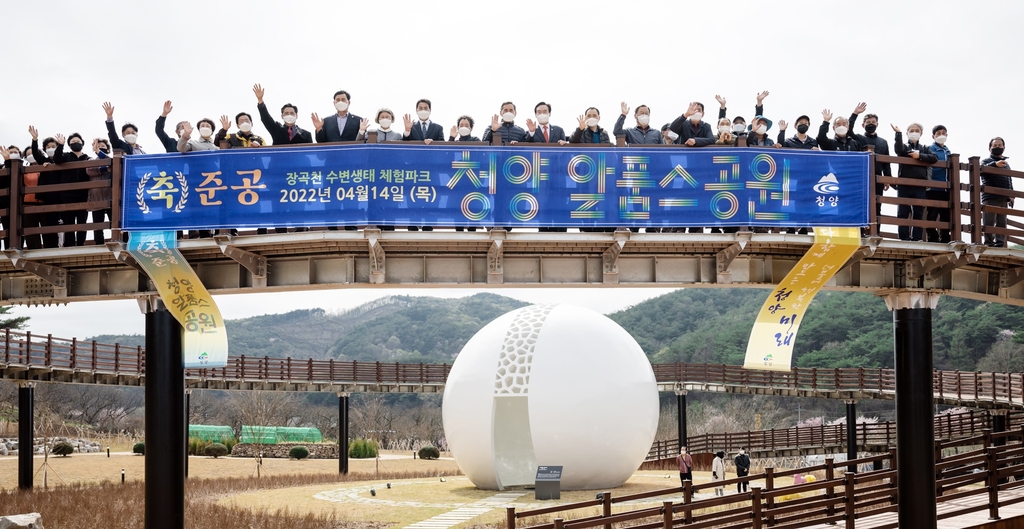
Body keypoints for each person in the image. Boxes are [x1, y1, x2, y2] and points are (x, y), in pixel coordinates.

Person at [892, 122, 938, 241]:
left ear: (921, 133)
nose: (914, 133)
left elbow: (934, 158)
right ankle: (904, 237)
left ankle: (917, 237)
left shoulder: (925, 148)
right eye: (911, 130)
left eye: (917, 131)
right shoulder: (905, 147)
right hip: (904, 184)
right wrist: (898, 134)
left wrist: (920, 156)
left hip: (920, 185)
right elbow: (898, 150)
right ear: (907, 133)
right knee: (903, 211)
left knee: (918, 212)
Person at [52, 133, 91, 247]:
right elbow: (57, 159)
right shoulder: (66, 156)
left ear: (82, 143)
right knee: (69, 221)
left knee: (82, 221)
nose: (76, 143)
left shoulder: (87, 158)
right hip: (67, 195)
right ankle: (68, 244)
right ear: (69, 145)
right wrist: (60, 145)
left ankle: (80, 244)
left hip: (83, 195)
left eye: (78, 141)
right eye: (73, 142)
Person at [982, 137, 1012, 247]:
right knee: (989, 221)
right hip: (990, 196)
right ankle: (988, 243)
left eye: (1000, 145)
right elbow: (981, 169)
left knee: (1001, 222)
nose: (997, 147)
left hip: (1004, 197)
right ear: (989, 148)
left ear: (1004, 147)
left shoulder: (1006, 164)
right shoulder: (986, 161)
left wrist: (1011, 195)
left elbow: (1009, 179)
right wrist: (995, 164)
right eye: (995, 145)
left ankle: (1000, 243)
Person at [927, 125, 952, 243]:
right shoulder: (930, 149)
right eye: (938, 133)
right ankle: (932, 237)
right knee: (932, 213)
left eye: (944, 133)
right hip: (933, 187)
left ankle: (945, 237)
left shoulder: (948, 151)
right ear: (933, 136)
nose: (941, 135)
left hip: (946, 188)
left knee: (945, 215)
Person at [86, 138, 113, 244]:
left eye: (103, 146)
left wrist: (99, 152)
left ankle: (116, 239)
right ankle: (99, 243)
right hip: (96, 197)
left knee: (114, 221)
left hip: (110, 196)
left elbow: (113, 164)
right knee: (97, 223)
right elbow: (89, 171)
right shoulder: (91, 160)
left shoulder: (110, 159)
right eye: (99, 146)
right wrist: (106, 169)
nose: (101, 148)